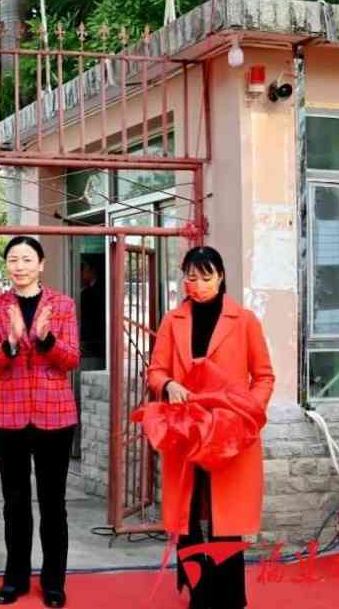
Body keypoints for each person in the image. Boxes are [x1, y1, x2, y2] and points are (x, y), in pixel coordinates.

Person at [146, 246, 274, 609]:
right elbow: (156, 371)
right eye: (190, 277)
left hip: (229, 432)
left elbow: (264, 376)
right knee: (188, 518)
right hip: (187, 432)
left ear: (220, 276)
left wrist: (247, 413)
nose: (197, 285)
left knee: (225, 519)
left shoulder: (244, 320)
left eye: (205, 277)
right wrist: (168, 385)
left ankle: (230, 598)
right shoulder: (174, 321)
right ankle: (198, 593)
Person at [0, 236, 81, 608]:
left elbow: (70, 359)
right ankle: (15, 578)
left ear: (41, 264)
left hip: (55, 416)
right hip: (8, 416)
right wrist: (9, 343)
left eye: (26, 259)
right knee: (15, 502)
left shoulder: (63, 305)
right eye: (13, 260)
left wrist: (45, 339)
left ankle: (54, 582)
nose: (19, 266)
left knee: (54, 503)